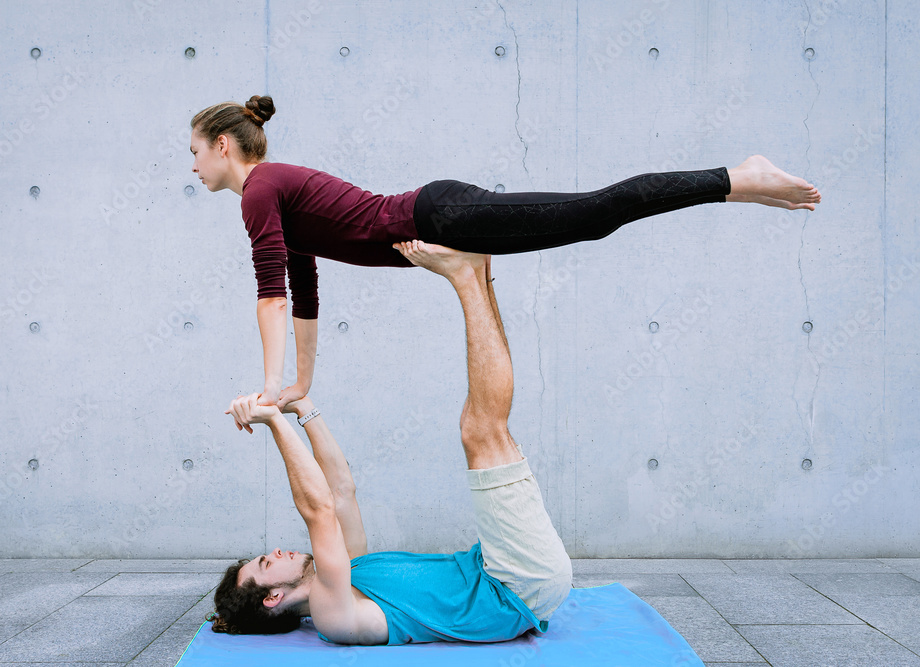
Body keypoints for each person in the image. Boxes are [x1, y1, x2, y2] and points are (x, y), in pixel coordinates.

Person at [190, 95, 821, 409]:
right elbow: (299, 291)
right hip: (443, 220)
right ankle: (740, 183)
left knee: (595, 212)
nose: (192, 166)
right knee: (594, 220)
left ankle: (740, 177)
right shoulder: (271, 191)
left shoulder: (259, 188)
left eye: (194, 151)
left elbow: (268, 297)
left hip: (440, 215)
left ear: (224, 145)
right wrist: (299, 382)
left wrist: (269, 387)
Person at [210, 240, 572, 644]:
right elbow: (319, 510)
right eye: (266, 562)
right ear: (273, 597)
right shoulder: (335, 615)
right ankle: (464, 276)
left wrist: (305, 409)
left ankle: (480, 265)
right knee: (480, 432)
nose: (276, 551)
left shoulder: (352, 569)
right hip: (515, 586)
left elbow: (341, 492)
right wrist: (275, 422)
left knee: (480, 424)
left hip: (500, 569)